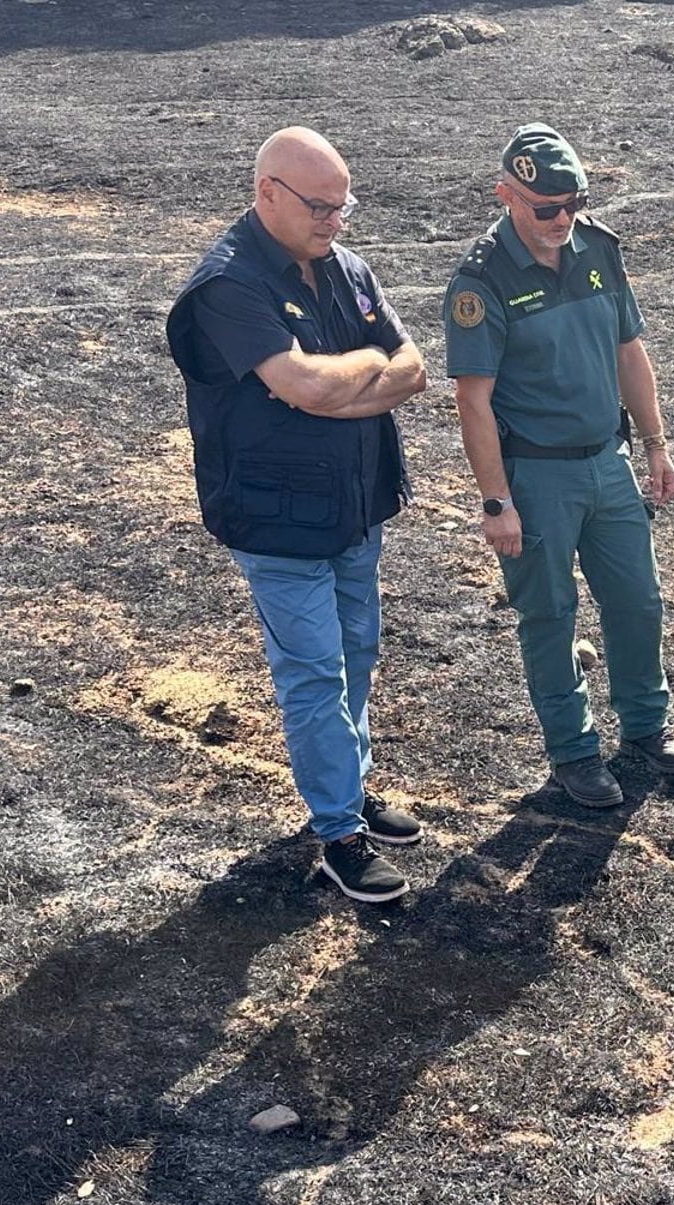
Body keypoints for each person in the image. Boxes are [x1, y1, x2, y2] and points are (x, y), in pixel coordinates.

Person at [166, 127, 428, 903]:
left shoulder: (347, 269)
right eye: (319, 206)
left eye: (343, 206)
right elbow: (306, 388)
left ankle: (347, 783)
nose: (335, 222)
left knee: (357, 651)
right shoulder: (227, 285)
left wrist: (339, 383)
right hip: (277, 517)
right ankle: (338, 833)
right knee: (313, 670)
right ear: (267, 193)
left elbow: (412, 367)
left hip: (354, 504)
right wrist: (356, 375)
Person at [442, 123, 674, 809]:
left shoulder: (599, 249)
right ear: (505, 195)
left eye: (573, 204)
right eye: (545, 208)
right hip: (535, 475)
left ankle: (645, 727)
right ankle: (574, 752)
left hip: (606, 462)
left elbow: (628, 353)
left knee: (638, 600)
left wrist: (654, 441)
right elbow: (473, 399)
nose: (562, 220)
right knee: (550, 614)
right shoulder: (480, 280)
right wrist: (497, 502)